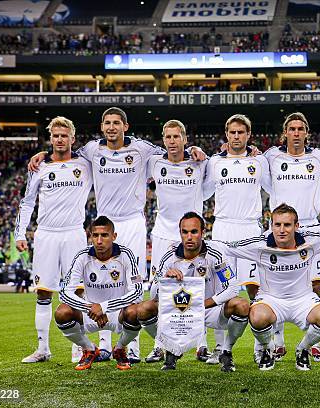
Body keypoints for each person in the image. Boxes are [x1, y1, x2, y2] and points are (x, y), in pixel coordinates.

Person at [29, 107, 205, 363]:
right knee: (100, 284)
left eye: (116, 123)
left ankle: (131, 348)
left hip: (133, 222)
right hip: (106, 223)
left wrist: (192, 151)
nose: (111, 127)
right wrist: (44, 153)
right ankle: (103, 345)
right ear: (102, 127)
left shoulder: (142, 149)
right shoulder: (91, 150)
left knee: (130, 284)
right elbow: (64, 153)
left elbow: (171, 151)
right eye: (107, 123)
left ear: (125, 126)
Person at [15, 116, 93, 363]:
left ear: (72, 138)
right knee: (43, 293)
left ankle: (79, 347)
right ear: (50, 139)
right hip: (46, 234)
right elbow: (27, 202)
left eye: (64, 135)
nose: (60, 140)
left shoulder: (86, 164)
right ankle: (43, 349)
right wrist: (20, 233)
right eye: (55, 136)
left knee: (78, 292)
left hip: (73, 234)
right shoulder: (40, 167)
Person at [223, 204, 320, 371]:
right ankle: (268, 348)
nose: (282, 230)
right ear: (271, 225)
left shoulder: (312, 240)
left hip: (303, 299)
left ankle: (303, 349)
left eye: (287, 225)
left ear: (296, 226)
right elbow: (226, 247)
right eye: (277, 225)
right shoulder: (259, 245)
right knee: (257, 316)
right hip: (270, 299)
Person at [136, 212, 249, 372]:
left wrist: (202, 305)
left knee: (242, 305)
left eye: (194, 232)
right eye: (185, 232)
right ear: (180, 233)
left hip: (209, 309)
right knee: (143, 309)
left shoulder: (215, 253)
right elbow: (153, 294)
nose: (189, 237)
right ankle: (171, 349)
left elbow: (232, 287)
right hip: (179, 312)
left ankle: (226, 351)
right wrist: (164, 279)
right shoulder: (169, 257)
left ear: (203, 233)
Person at [203, 113, 271, 363]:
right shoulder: (214, 163)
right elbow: (202, 193)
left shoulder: (259, 161)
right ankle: (221, 348)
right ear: (226, 133)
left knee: (256, 289)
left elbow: (274, 189)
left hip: (251, 230)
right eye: (232, 132)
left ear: (248, 135)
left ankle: (261, 347)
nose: (236, 136)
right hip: (222, 230)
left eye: (241, 132)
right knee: (223, 288)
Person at [263, 112, 320, 362]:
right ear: (285, 132)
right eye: (292, 129)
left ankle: (313, 342)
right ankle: (278, 341)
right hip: (281, 230)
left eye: (301, 129)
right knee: (277, 285)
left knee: (315, 284)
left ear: (307, 132)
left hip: (311, 227)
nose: (296, 133)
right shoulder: (271, 156)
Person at [144, 119, 210, 363]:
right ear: (164, 140)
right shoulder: (154, 162)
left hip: (191, 233)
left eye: (176, 137)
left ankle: (201, 345)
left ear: (184, 138)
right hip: (163, 233)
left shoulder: (200, 162)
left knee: (197, 288)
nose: (172, 141)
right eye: (168, 137)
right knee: (158, 291)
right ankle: (159, 346)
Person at [56, 216, 143, 371]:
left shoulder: (126, 255)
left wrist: (104, 307)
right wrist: (90, 307)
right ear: (90, 237)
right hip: (91, 314)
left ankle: (120, 348)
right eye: (95, 235)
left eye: (104, 235)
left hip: (118, 314)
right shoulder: (82, 256)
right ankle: (89, 349)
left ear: (114, 236)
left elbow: (137, 291)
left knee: (135, 311)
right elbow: (64, 292)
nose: (99, 240)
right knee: (61, 312)